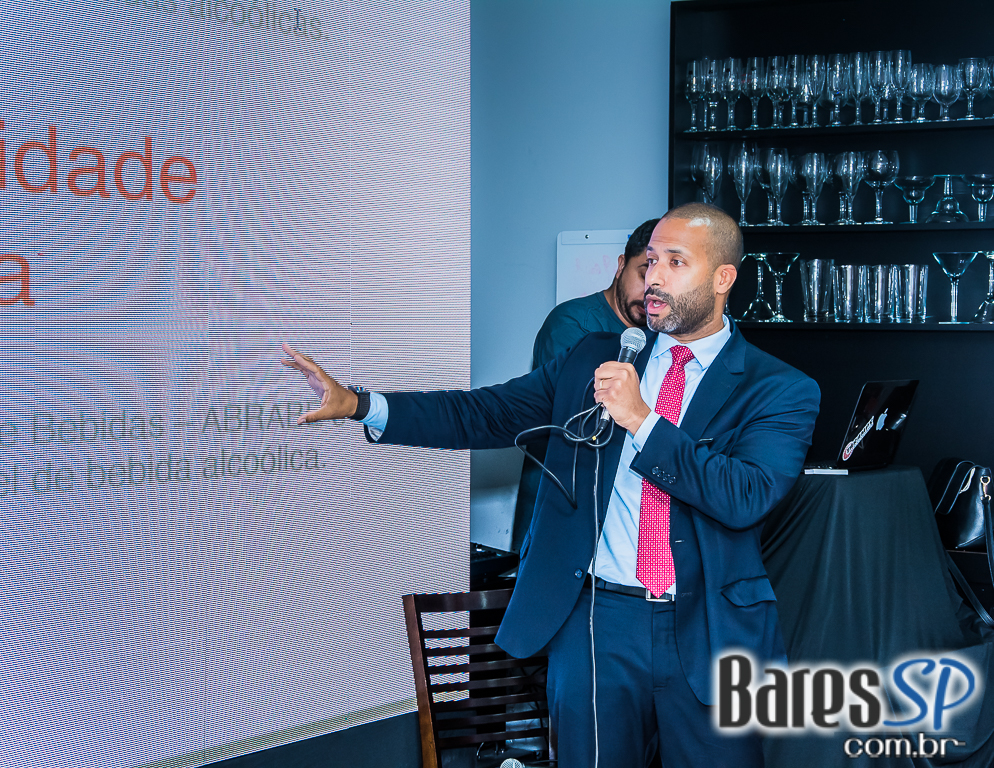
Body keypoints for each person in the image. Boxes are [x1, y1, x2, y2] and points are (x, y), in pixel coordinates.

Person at [281, 203, 820, 768]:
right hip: (598, 623)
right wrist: (361, 404)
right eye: (650, 260)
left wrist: (642, 421)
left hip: (711, 629)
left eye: (676, 262)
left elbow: (744, 497)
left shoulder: (779, 388)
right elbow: (486, 413)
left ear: (723, 278)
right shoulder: (594, 358)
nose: (654, 277)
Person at [513, 217, 657, 552]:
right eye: (643, 274)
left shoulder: (658, 335)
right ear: (620, 265)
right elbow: (584, 419)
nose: (649, 293)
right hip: (561, 499)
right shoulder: (572, 324)